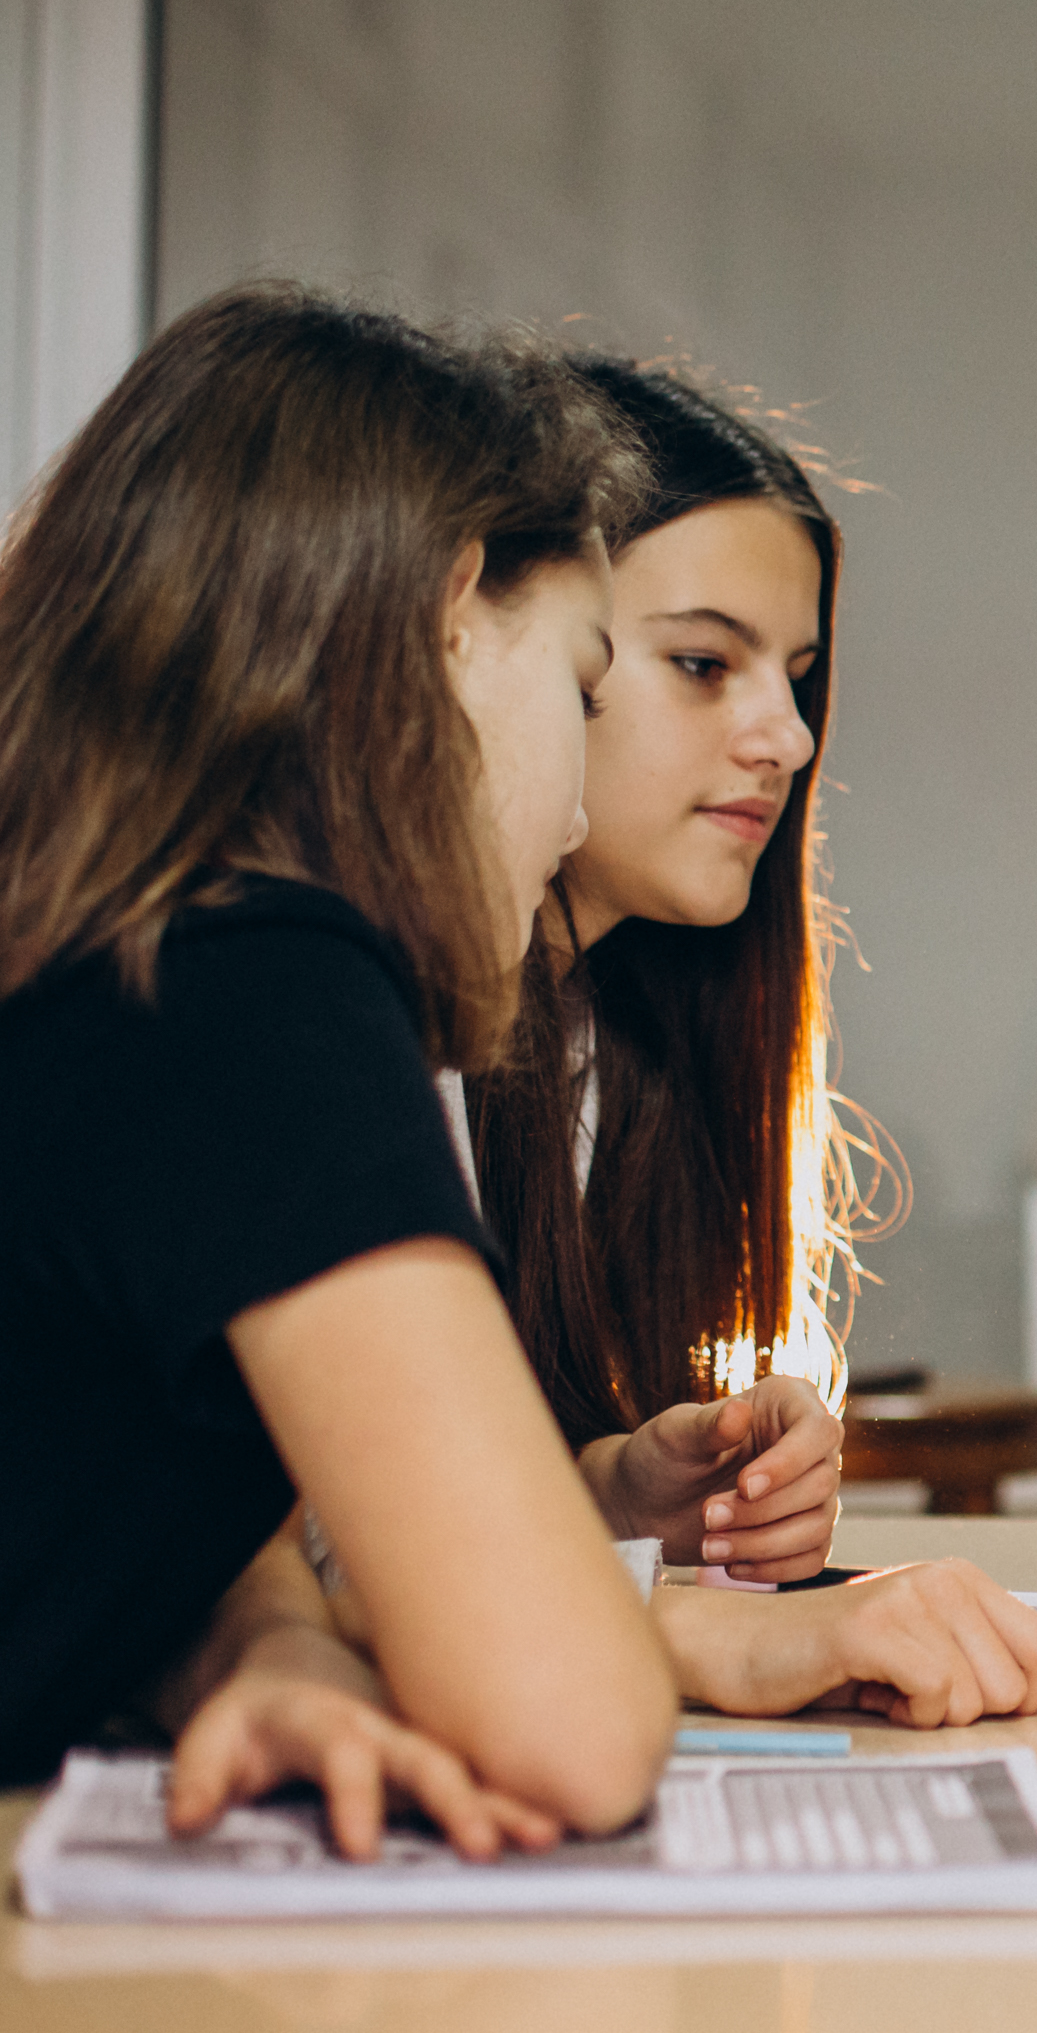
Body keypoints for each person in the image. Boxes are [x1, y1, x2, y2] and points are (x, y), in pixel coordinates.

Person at [0, 284, 674, 1852]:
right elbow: (569, 1727)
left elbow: (94, 1443)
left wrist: (274, 1646)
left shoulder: (112, 956)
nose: (577, 815)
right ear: (451, 612)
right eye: (581, 691)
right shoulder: (261, 982)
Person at [468, 357, 1037, 1728]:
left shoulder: (610, 1051)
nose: (789, 737)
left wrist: (622, 1491)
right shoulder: (364, 1018)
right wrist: (698, 1633)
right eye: (702, 663)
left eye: (797, 680)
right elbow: (305, 1547)